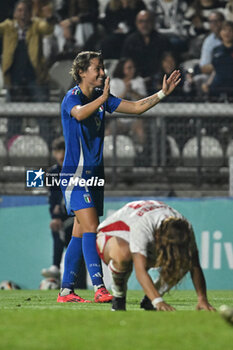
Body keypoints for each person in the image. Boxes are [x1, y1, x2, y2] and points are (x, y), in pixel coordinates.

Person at [57, 50, 181, 303]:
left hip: (94, 175)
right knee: (92, 227)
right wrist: (102, 98)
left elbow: (135, 108)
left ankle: (66, 291)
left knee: (80, 233)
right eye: (97, 68)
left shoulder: (103, 99)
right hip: (76, 175)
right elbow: (79, 114)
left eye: (102, 68)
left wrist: (162, 94)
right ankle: (99, 287)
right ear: (82, 72)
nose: (102, 72)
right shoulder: (72, 98)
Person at [96, 200, 216, 311]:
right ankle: (119, 297)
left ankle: (150, 300)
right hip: (110, 236)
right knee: (124, 255)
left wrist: (202, 299)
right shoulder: (144, 226)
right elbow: (140, 270)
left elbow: (194, 265)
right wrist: (158, 301)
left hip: (150, 241)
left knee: (182, 259)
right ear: (158, 237)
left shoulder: (185, 228)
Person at [41, 136, 86, 289]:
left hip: (76, 216)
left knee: (78, 254)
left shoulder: (78, 170)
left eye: (63, 151)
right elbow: (53, 200)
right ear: (54, 153)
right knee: (58, 229)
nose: (60, 155)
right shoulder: (53, 172)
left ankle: (76, 284)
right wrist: (56, 217)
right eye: (57, 151)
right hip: (62, 218)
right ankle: (58, 272)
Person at [0, 0, 55, 102]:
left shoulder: (36, 25)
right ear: (15, 13)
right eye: (20, 10)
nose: (23, 14)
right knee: (14, 112)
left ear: (30, 14)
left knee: (41, 108)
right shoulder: (8, 26)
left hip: (34, 76)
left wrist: (49, 18)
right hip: (13, 77)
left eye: (26, 11)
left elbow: (47, 28)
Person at [121, 10, 169, 93]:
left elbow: (168, 62)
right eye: (141, 21)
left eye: (147, 21)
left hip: (158, 80)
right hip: (136, 79)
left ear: (153, 22)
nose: (144, 24)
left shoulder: (162, 40)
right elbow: (125, 62)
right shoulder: (130, 41)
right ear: (136, 23)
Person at [202, 20, 233, 99]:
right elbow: (215, 70)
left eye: (230, 30)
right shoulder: (216, 50)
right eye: (224, 30)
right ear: (220, 32)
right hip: (218, 85)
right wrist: (208, 84)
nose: (227, 33)